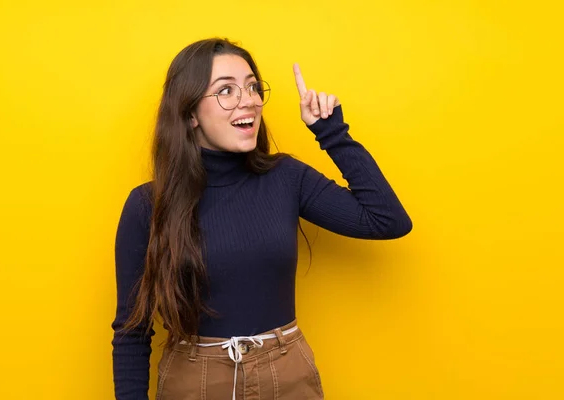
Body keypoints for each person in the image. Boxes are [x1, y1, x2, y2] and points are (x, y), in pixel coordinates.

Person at [112, 37, 412, 400]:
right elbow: (132, 331)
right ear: (190, 114)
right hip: (195, 380)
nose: (249, 100)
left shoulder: (286, 178)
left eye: (253, 87)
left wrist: (331, 132)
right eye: (227, 90)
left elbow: (387, 220)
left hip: (286, 375)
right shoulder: (148, 205)